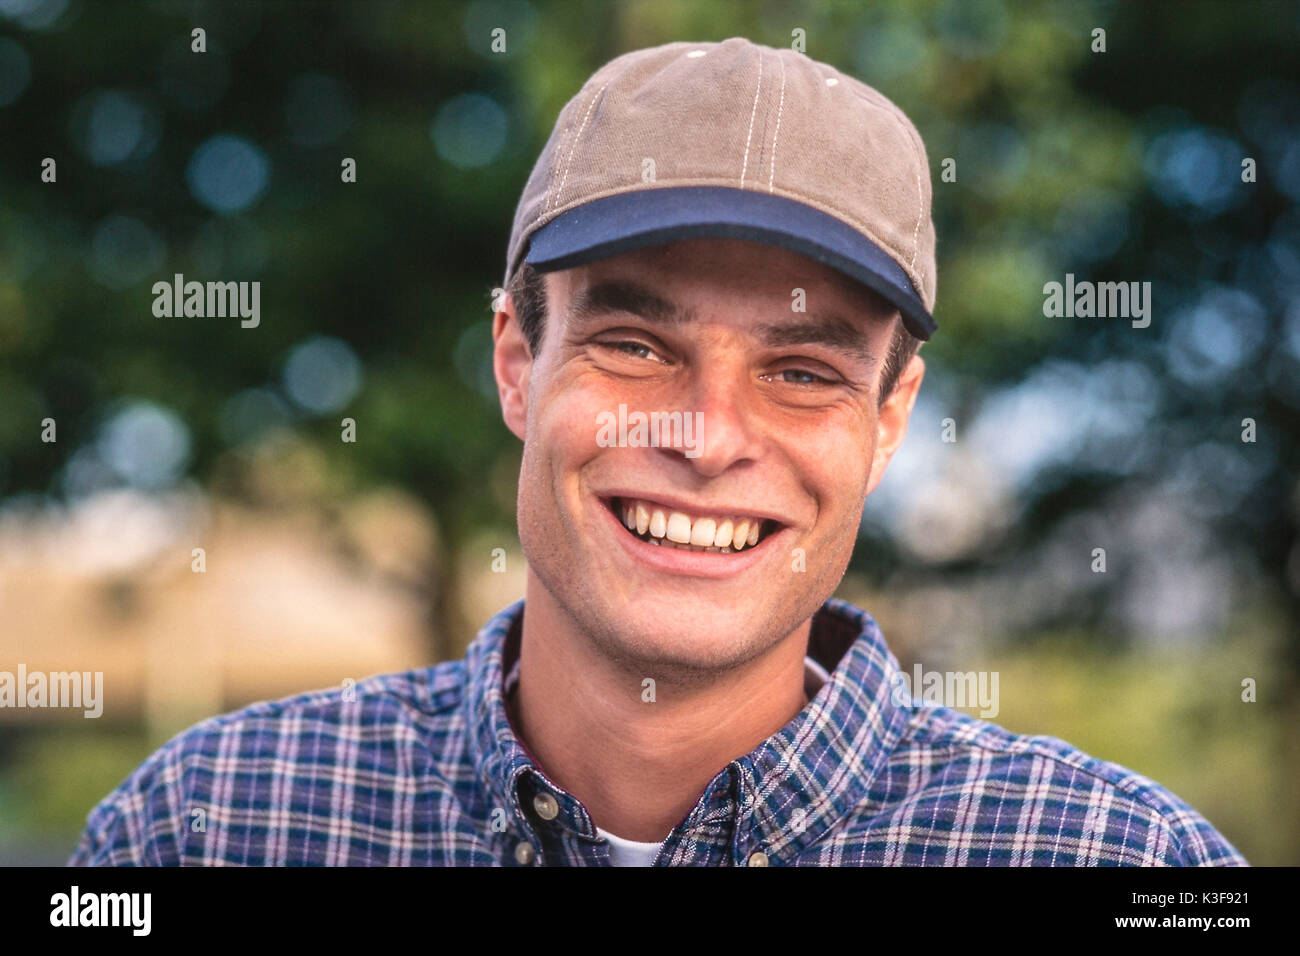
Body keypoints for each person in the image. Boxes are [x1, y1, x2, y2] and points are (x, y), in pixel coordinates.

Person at [70, 37, 1246, 867]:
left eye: (802, 371)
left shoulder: (1121, 861)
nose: (706, 435)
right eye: (633, 344)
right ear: (516, 360)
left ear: (889, 420)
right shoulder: (204, 827)